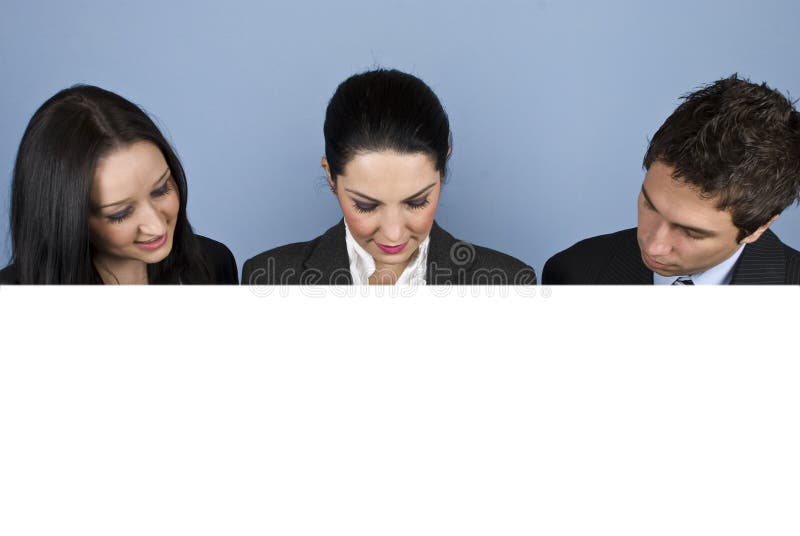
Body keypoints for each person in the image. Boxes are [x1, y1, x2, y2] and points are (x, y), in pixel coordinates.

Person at [242, 68, 536, 285]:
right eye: (367, 206)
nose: (393, 233)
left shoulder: (509, 282)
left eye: (417, 202)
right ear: (331, 176)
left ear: (443, 168)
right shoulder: (269, 278)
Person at [542, 75, 800, 285]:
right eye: (649, 205)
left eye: (691, 232)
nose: (654, 246)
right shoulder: (573, 271)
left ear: (758, 228)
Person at [0, 85, 237, 284]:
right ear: (65, 221)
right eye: (120, 214)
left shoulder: (214, 264)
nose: (156, 226)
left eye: (161, 189)